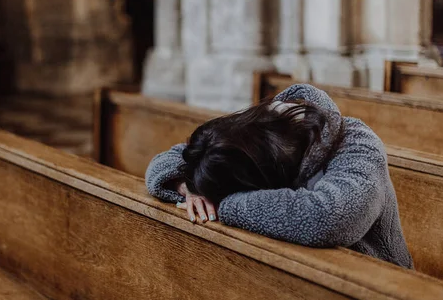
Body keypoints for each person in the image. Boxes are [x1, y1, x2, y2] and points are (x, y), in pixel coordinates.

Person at [145, 84, 413, 269]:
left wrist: (224, 203)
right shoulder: (257, 129)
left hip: (379, 287)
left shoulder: (357, 143)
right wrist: (187, 187)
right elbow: (167, 161)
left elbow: (327, 219)